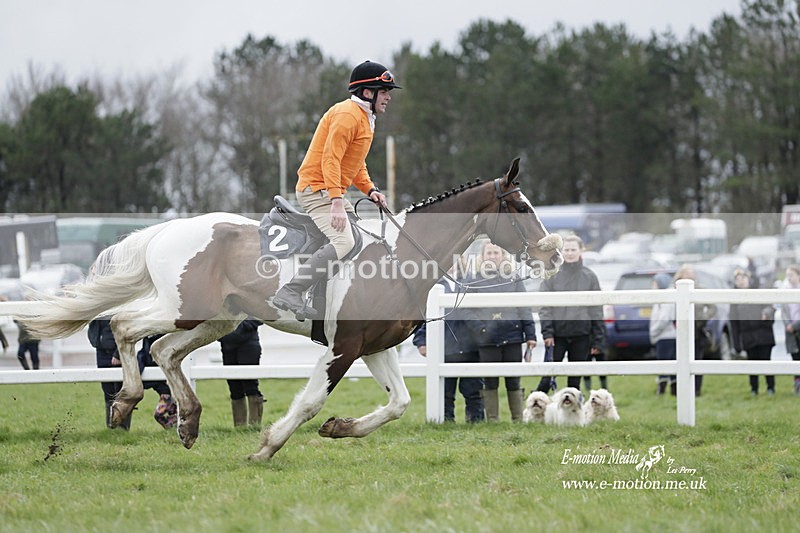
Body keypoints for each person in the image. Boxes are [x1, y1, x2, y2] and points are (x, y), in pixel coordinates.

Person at [272, 60, 399, 319]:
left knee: (359, 237)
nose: (388, 97)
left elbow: (355, 162)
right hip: (316, 188)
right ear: (368, 92)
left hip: (330, 189)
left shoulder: (364, 117)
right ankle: (291, 291)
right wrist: (337, 202)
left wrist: (370, 190)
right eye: (385, 92)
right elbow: (331, 159)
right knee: (344, 241)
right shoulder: (348, 116)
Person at [463, 241, 536, 422]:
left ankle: (517, 419)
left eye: (496, 253)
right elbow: (466, 310)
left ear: (503, 255)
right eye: (489, 253)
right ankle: (493, 420)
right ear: (482, 256)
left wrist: (530, 334)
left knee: (513, 379)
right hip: (486, 338)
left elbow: (524, 307)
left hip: (512, 335)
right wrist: (481, 328)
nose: (493, 256)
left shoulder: (514, 278)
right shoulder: (473, 280)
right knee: (490, 380)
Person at [537, 234, 605, 393]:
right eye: (566, 250)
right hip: (557, 335)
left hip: (581, 335)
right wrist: (547, 333)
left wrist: (598, 340)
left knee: (574, 381)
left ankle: (573, 408)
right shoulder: (552, 275)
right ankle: (535, 405)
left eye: (573, 250)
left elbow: (596, 310)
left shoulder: (590, 276)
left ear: (581, 250)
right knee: (547, 377)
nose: (569, 253)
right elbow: (545, 307)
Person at [412, 278, 484, 423]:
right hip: (445, 350)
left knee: (474, 390)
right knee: (445, 392)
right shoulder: (434, 284)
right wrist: (421, 341)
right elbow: (426, 317)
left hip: (471, 348)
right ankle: (446, 421)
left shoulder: (472, 282)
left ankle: (476, 422)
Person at [729, 268, 776, 396]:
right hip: (748, 337)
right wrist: (736, 344)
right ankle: (754, 389)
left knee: (766, 362)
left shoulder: (759, 291)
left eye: (743, 278)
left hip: (764, 334)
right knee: (752, 364)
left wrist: (766, 314)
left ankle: (771, 387)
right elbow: (734, 323)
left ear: (748, 278)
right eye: (737, 279)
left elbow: (770, 308)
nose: (741, 281)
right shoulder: (734, 300)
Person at [673, 264, 716, 396]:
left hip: (698, 329)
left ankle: (697, 389)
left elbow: (713, 307)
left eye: (692, 273)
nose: (691, 275)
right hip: (679, 331)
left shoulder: (700, 289)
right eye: (687, 273)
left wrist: (705, 317)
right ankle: (681, 390)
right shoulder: (673, 290)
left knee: (697, 359)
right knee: (680, 360)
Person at [219, 319, 265, 427]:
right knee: (234, 387)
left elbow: (259, 316)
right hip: (227, 345)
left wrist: (241, 327)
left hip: (249, 344)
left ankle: (254, 425)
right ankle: (239, 427)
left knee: (251, 385)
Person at [88, 318, 131, 430]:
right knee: (107, 390)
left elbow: (125, 329)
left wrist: (118, 354)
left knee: (120, 391)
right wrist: (95, 341)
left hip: (115, 351)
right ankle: (111, 426)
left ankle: (122, 426)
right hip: (101, 350)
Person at [137, 334, 178, 428]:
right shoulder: (146, 346)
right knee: (160, 415)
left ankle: (174, 427)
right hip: (165, 392)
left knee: (159, 415)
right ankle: (173, 428)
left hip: (168, 391)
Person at [649, 273, 677, 396]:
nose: (653, 286)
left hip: (666, 336)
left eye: (654, 284)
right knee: (667, 362)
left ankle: (665, 390)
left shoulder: (667, 299)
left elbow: (664, 319)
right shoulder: (660, 299)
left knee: (665, 362)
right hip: (663, 335)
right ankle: (670, 390)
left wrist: (654, 331)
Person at [780, 264, 800, 395]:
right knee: (795, 358)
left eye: (791, 275)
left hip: (797, 327)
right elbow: (783, 311)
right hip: (790, 331)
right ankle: (797, 386)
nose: (789, 278)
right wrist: (788, 324)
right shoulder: (784, 291)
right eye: (787, 275)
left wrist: (795, 325)